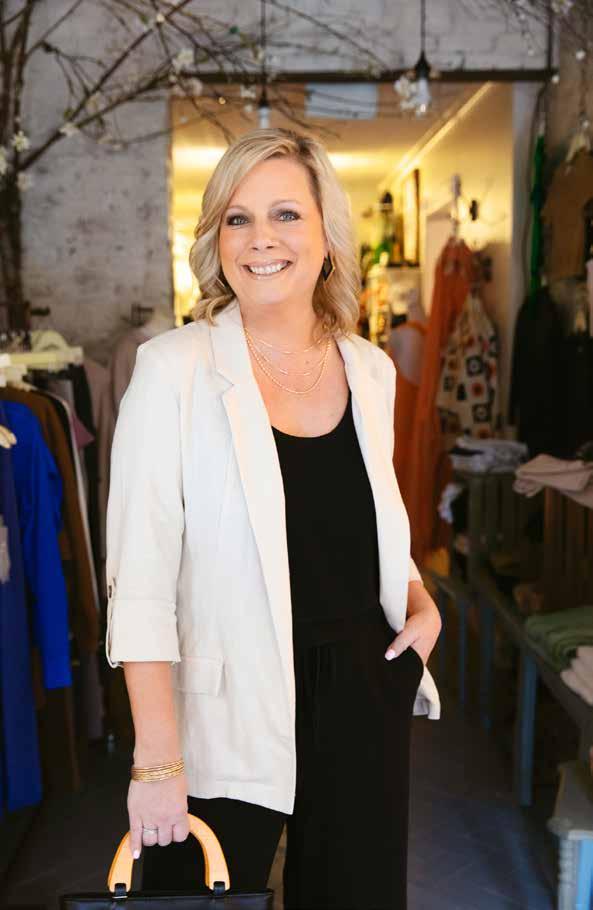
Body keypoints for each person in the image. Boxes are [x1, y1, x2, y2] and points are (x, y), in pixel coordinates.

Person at [105, 127, 441, 909]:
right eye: (237, 218)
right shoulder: (173, 371)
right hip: (224, 706)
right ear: (216, 239)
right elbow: (140, 584)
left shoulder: (370, 370)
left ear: (326, 235)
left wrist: (420, 601)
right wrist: (156, 763)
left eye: (285, 214)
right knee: (198, 899)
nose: (261, 238)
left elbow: (369, 522)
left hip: (362, 687)